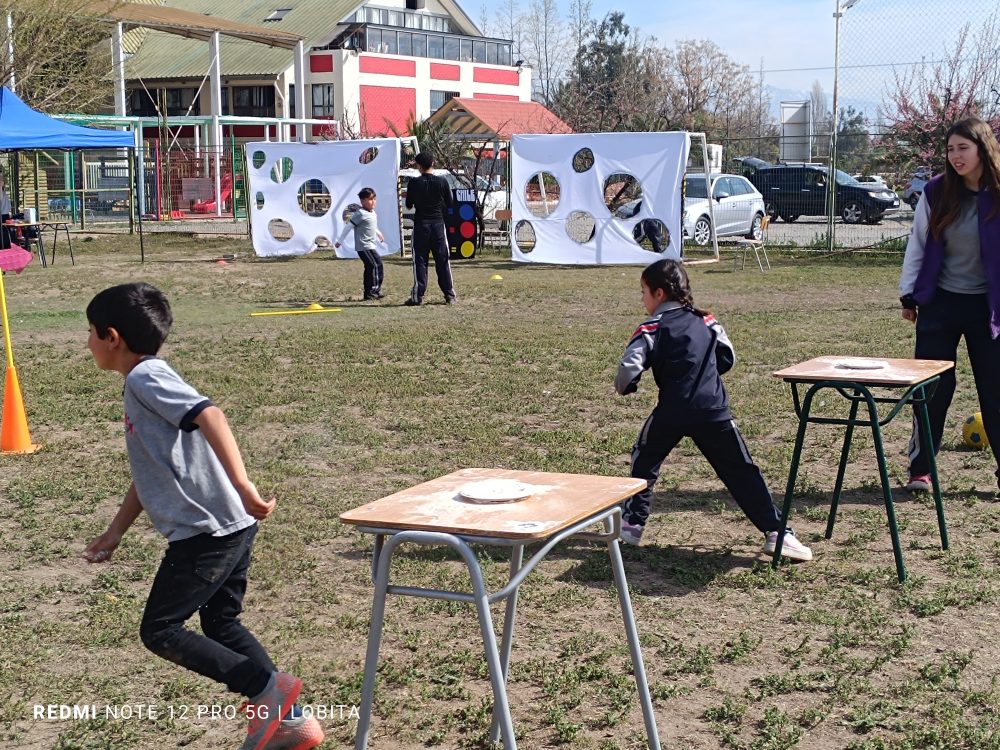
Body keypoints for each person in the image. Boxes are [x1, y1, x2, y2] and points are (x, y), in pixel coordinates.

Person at [82, 283, 324, 750]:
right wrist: (114, 532)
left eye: (89, 333)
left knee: (160, 629)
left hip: (206, 534)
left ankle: (266, 691)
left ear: (111, 336)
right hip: (230, 528)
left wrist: (243, 483)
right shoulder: (147, 380)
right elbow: (149, 472)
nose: (86, 342)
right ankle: (291, 721)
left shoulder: (144, 377)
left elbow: (211, 415)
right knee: (221, 624)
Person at [615, 259, 812, 561]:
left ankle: (632, 526)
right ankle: (778, 532)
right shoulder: (707, 320)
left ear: (657, 293)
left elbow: (628, 369)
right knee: (741, 471)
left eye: (642, 292)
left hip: (672, 411)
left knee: (645, 460)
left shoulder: (651, 326)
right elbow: (728, 357)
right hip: (713, 410)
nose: (642, 299)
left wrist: (626, 386)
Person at [900, 115, 1000, 493]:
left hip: (989, 310)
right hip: (940, 305)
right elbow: (919, 246)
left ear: (982, 149)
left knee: (995, 392)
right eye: (950, 149)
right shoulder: (936, 192)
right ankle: (921, 470)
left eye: (963, 148)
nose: (956, 156)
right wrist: (909, 294)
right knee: (933, 390)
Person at [404, 152, 457, 305]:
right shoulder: (442, 181)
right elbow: (450, 203)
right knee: (443, 260)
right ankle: (449, 295)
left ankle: (417, 296)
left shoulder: (414, 183)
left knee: (420, 261)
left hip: (421, 224)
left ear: (418, 165)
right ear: (433, 162)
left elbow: (408, 205)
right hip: (438, 225)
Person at [336, 187, 386, 300]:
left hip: (370, 246)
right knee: (375, 265)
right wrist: (340, 241)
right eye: (370, 199)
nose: (373, 202)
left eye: (374, 199)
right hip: (364, 247)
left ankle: (370, 292)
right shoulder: (360, 214)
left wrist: (378, 233)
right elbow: (349, 226)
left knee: (371, 267)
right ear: (362, 201)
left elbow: (372, 225)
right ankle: (373, 291)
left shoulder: (372, 213)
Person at [0, 174, 11, 249]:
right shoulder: (0, 190)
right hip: (2, 215)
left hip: (6, 214)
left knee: (7, 233)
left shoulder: (3, 191)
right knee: (4, 234)